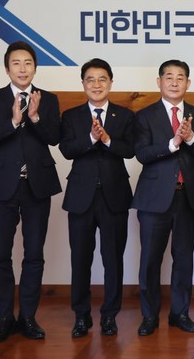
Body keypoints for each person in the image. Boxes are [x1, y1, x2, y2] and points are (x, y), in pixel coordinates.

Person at [0, 41, 61, 344]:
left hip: (37, 185)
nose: (23, 69)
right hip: (2, 186)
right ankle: (4, 318)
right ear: (7, 68)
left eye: (28, 63)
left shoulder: (48, 99)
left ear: (35, 67)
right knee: (0, 254)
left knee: (34, 254)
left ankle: (28, 317)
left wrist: (35, 117)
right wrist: (14, 121)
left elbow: (55, 137)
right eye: (16, 63)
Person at [59, 58, 135, 338]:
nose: (96, 84)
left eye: (102, 79)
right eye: (90, 79)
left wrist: (107, 140)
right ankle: (81, 316)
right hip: (81, 197)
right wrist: (91, 139)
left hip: (114, 196)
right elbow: (67, 150)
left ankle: (109, 316)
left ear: (111, 83)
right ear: (83, 84)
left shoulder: (125, 116)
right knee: (80, 259)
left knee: (113, 259)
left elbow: (130, 150)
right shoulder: (71, 116)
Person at [132, 60, 194, 336]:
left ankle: (180, 313)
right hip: (154, 198)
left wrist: (190, 139)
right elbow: (141, 154)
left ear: (188, 83)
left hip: (187, 196)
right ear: (159, 82)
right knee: (150, 260)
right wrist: (173, 143)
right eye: (169, 77)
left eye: (180, 78)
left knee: (184, 259)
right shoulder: (144, 116)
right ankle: (149, 316)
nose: (175, 82)